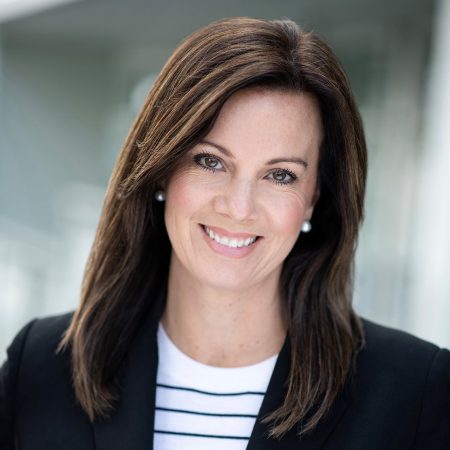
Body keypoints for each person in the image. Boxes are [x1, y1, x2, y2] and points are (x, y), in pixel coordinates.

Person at [0, 17, 449, 450]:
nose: (238, 207)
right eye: (210, 162)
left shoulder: (415, 391)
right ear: (161, 171)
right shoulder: (40, 368)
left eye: (280, 176)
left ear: (315, 199)